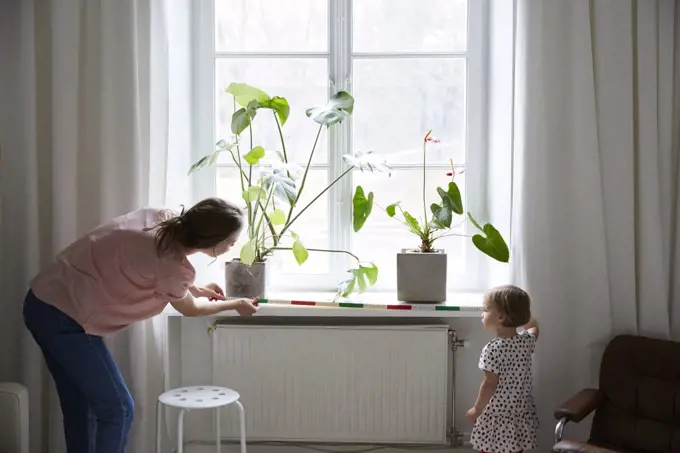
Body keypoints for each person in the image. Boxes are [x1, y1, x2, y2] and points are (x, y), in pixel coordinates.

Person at [23, 197, 259, 453]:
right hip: (66, 321)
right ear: (212, 241)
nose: (232, 246)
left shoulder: (159, 218)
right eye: (231, 242)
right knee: (119, 409)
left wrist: (194, 288)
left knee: (80, 405)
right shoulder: (173, 269)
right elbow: (191, 308)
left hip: (42, 300)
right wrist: (235, 305)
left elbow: (144, 259)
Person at [466, 285, 539, 453]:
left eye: (485, 310)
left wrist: (477, 409)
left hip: (498, 416)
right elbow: (534, 329)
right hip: (519, 412)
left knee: (492, 449)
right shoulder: (526, 341)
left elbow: (489, 384)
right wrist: (524, 314)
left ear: (500, 316)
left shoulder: (492, 349)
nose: (482, 314)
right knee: (516, 448)